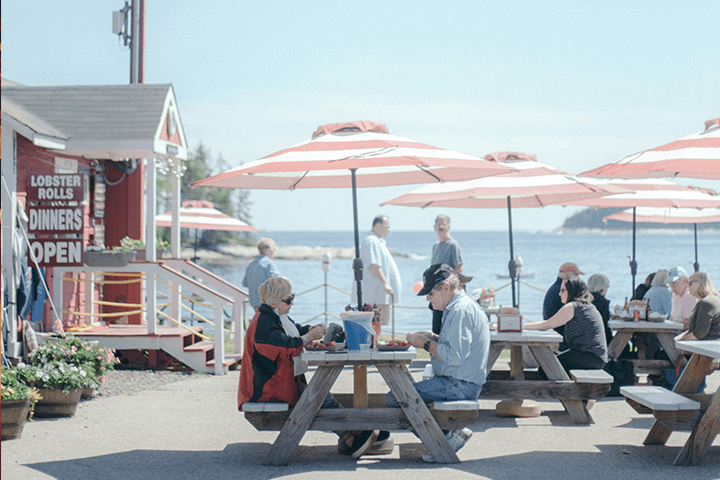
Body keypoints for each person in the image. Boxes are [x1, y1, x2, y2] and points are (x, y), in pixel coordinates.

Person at [238, 277, 381, 458]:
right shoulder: (263, 325)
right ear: (273, 301)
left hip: (280, 383)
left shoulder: (274, 316)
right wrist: (308, 338)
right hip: (268, 390)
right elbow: (286, 346)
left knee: (319, 394)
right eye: (288, 300)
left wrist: (310, 329)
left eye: (293, 297)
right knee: (318, 395)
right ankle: (356, 431)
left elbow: (294, 330)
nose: (292, 302)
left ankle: (351, 434)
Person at [386, 264, 490, 463]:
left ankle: (445, 438)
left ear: (445, 287)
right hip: (461, 381)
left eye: (431, 293)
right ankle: (449, 433)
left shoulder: (459, 311)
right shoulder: (458, 307)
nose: (428, 298)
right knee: (402, 394)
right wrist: (433, 337)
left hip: (460, 384)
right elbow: (456, 347)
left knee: (395, 397)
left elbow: (455, 356)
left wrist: (424, 343)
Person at [525, 276, 608, 374]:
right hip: (595, 357)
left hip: (590, 357)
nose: (559, 294)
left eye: (563, 290)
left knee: (546, 368)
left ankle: (559, 389)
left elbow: (546, 325)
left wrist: (521, 326)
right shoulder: (586, 306)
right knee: (549, 366)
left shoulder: (573, 306)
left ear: (571, 291)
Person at [351, 215, 402, 325]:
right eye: (387, 227)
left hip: (379, 296)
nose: (388, 230)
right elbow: (374, 265)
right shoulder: (371, 241)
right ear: (378, 226)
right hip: (375, 295)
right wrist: (385, 284)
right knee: (375, 324)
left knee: (379, 324)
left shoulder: (377, 241)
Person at [429, 215, 464, 335]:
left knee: (448, 329)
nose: (441, 226)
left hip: (447, 294)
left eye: (443, 224)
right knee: (436, 329)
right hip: (435, 293)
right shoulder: (435, 246)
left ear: (448, 227)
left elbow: (458, 268)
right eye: (438, 224)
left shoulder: (453, 245)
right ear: (434, 227)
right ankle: (435, 353)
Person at [543, 262, 584, 340]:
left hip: (553, 330)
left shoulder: (555, 288)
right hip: (560, 335)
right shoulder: (563, 291)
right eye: (576, 275)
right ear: (567, 275)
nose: (578, 279)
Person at [675, 272, 720, 341]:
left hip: (706, 346)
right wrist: (678, 339)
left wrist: (681, 341)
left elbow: (699, 333)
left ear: (701, 283)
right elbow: (696, 329)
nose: (687, 286)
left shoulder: (707, 302)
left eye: (690, 283)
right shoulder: (709, 300)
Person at [242, 238, 280, 312]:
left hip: (254, 302)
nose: (273, 251)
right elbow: (278, 282)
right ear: (268, 249)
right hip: (268, 303)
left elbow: (245, 283)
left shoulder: (251, 264)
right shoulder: (269, 264)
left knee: (260, 321)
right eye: (273, 249)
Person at [588, 273, 613, 346]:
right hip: (601, 342)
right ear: (603, 289)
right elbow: (604, 325)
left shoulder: (583, 300)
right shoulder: (602, 303)